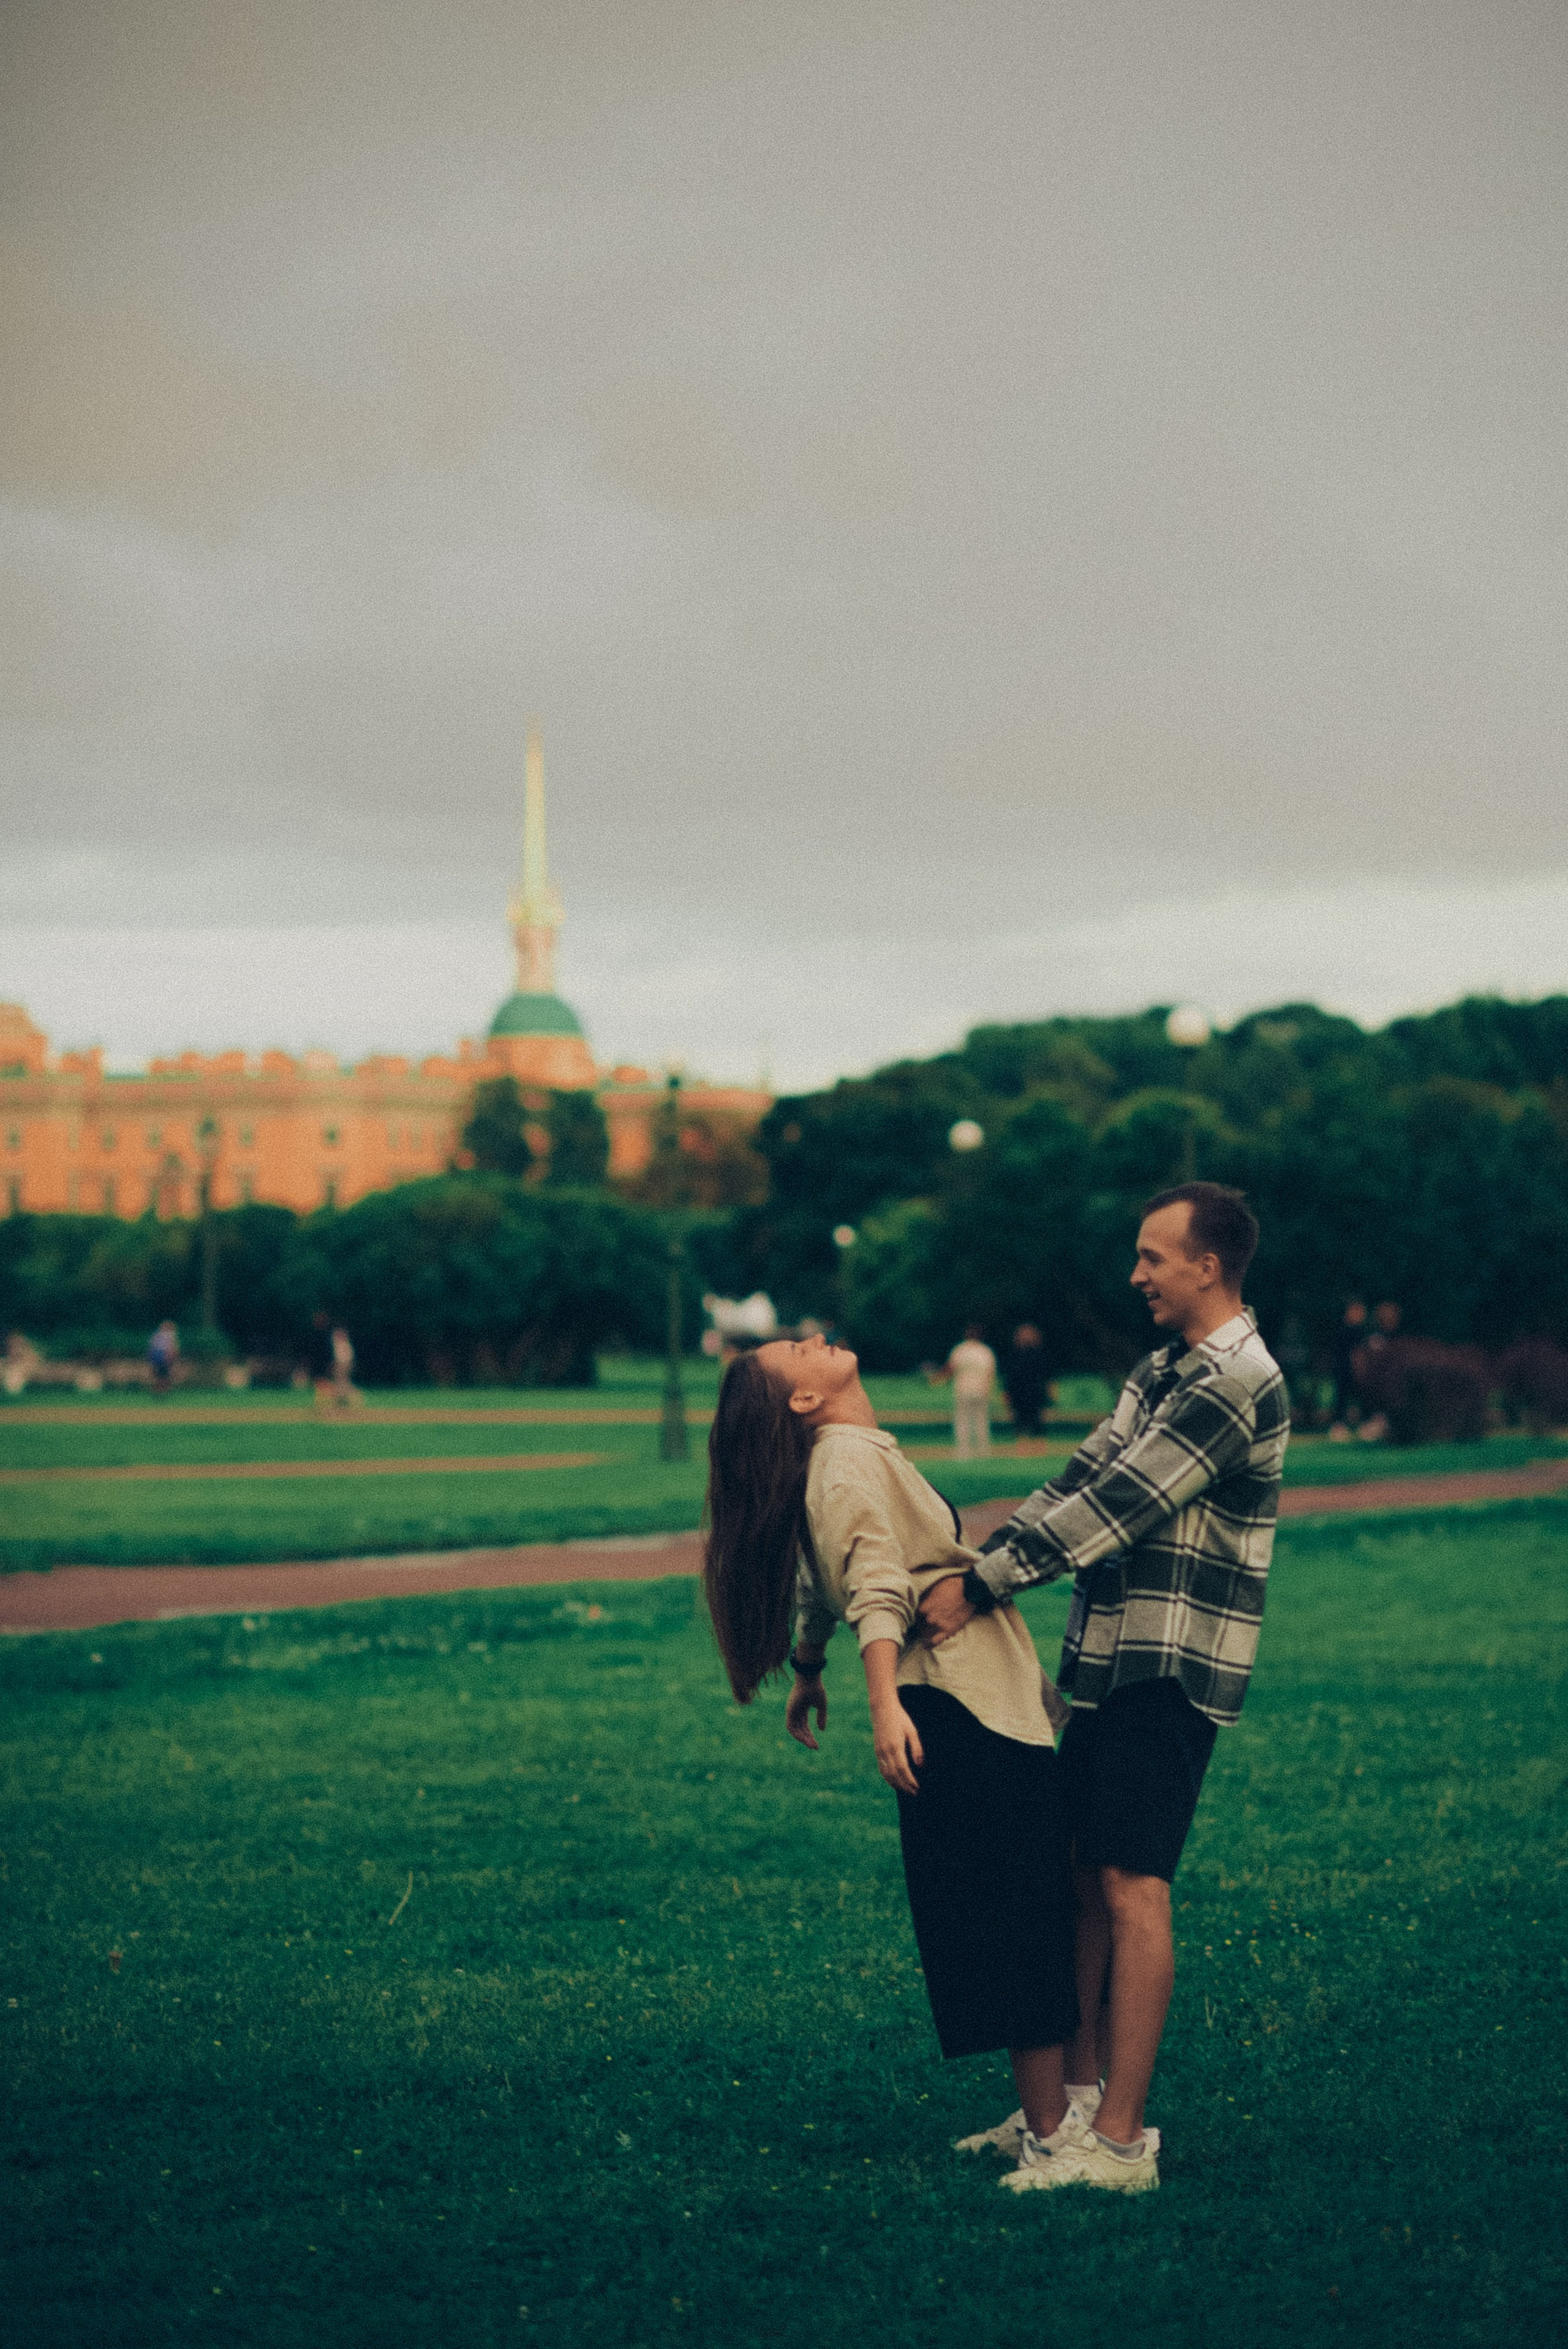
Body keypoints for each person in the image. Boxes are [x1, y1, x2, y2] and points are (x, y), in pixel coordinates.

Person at [919, 1183, 1289, 2195]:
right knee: (1080, 1877)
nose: (1137, 1275)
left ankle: (1122, 2143)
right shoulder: (1163, 1369)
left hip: (1171, 1668)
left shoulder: (1239, 1379)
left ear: (1207, 1264)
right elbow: (1078, 1480)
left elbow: (1119, 1508)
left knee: (1133, 1885)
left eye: (1152, 1258)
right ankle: (1073, 2109)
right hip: (1110, 1664)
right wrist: (978, 1563)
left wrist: (984, 1585)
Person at [703, 1333, 1085, 2178]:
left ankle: (1047, 2116)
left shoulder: (843, 1459)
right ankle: (1054, 2136)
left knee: (1008, 1907)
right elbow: (873, 1582)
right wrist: (883, 1703)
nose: (815, 1337)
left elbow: (821, 1577)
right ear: (804, 1400)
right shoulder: (844, 1461)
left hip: (957, 1699)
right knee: (1018, 1914)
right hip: (959, 1701)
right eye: (797, 1349)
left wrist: (809, 1666)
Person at [930, 1324, 997, 1458]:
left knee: (963, 1421)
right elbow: (991, 1373)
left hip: (964, 1390)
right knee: (981, 1421)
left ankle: (964, 1452)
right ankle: (983, 1451)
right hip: (981, 1390)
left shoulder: (961, 1350)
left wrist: (937, 1379)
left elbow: (950, 1369)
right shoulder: (985, 1351)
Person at [1328, 1298, 1368, 1438]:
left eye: (1361, 1311)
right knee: (1342, 1399)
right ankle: (1338, 1426)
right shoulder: (1343, 1331)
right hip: (1344, 1370)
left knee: (1362, 1399)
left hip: (1358, 1372)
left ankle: (1364, 1426)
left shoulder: (1363, 1332)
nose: (1360, 1314)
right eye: (1356, 1311)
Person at [1003, 1323, 1050, 1440]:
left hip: (1035, 1394)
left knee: (1036, 1425)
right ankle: (1021, 1446)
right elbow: (1010, 1376)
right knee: (1020, 1425)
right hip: (1018, 1395)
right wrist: (1007, 1392)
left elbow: (1046, 1376)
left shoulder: (1041, 1356)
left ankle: (1038, 1446)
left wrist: (1047, 1392)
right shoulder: (1013, 1356)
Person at [146, 1319, 180, 1393]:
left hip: (157, 1357)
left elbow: (151, 1348)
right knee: (165, 1374)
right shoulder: (170, 1336)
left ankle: (159, 1389)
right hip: (164, 1357)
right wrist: (172, 1357)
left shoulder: (157, 1335)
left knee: (159, 1374)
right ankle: (163, 1389)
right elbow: (172, 1348)